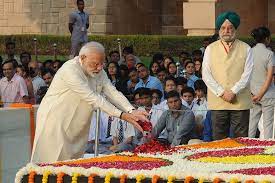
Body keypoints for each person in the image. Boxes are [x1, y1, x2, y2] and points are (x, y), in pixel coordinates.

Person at [31, 42, 148, 163]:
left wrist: (131, 110)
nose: (99, 68)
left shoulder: (99, 71)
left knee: (72, 165)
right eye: (95, 64)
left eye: (102, 63)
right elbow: (93, 98)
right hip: (56, 121)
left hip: (77, 123)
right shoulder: (69, 70)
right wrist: (122, 115)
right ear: (82, 58)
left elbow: (111, 91)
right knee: (51, 163)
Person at [202, 11, 253, 140]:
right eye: (223, 28)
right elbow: (206, 74)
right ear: (219, 29)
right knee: (219, 140)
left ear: (235, 29)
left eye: (230, 28)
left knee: (241, 140)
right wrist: (221, 92)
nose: (226, 31)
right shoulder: (210, 49)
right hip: (218, 100)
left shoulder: (246, 48)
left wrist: (233, 91)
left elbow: (247, 74)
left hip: (240, 101)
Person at [249, 26, 275, 139]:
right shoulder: (269, 54)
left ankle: (247, 147)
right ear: (267, 38)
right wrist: (261, 94)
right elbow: (270, 77)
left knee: (252, 123)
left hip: (252, 94)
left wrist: (253, 94)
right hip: (267, 94)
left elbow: (245, 75)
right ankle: (268, 150)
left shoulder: (249, 52)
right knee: (267, 125)